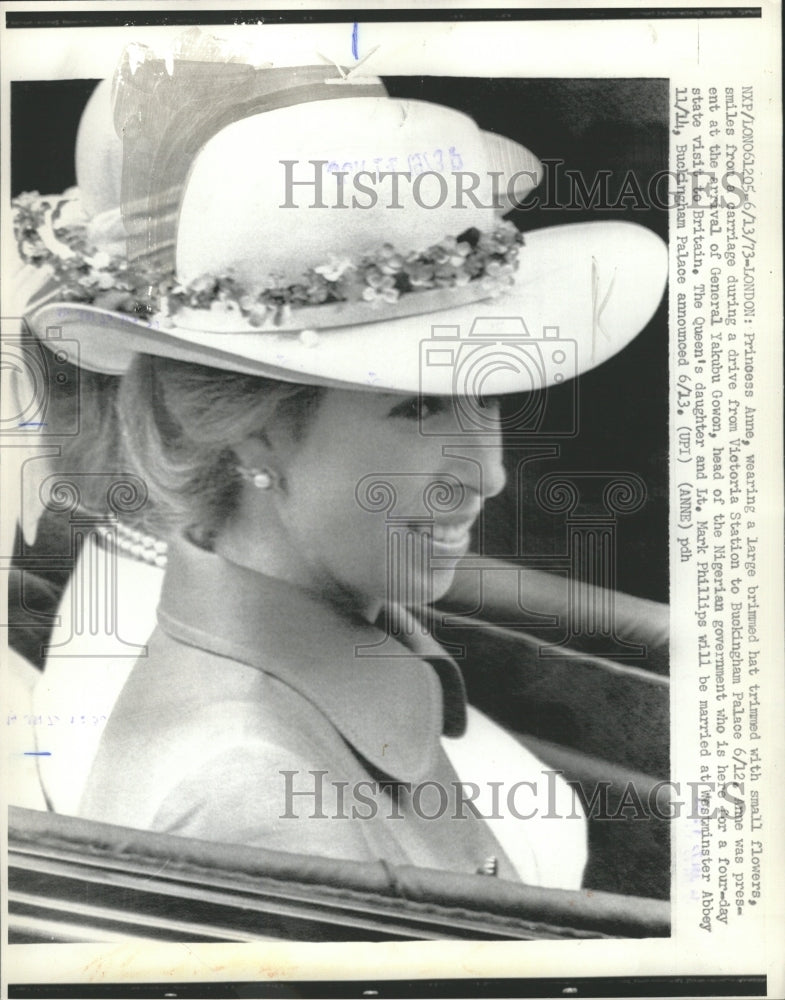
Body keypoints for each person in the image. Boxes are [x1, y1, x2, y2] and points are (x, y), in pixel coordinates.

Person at [13, 41, 667, 889]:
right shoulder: (256, 796)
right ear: (253, 432)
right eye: (418, 407)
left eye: (487, 396)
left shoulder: (321, 624)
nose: (488, 474)